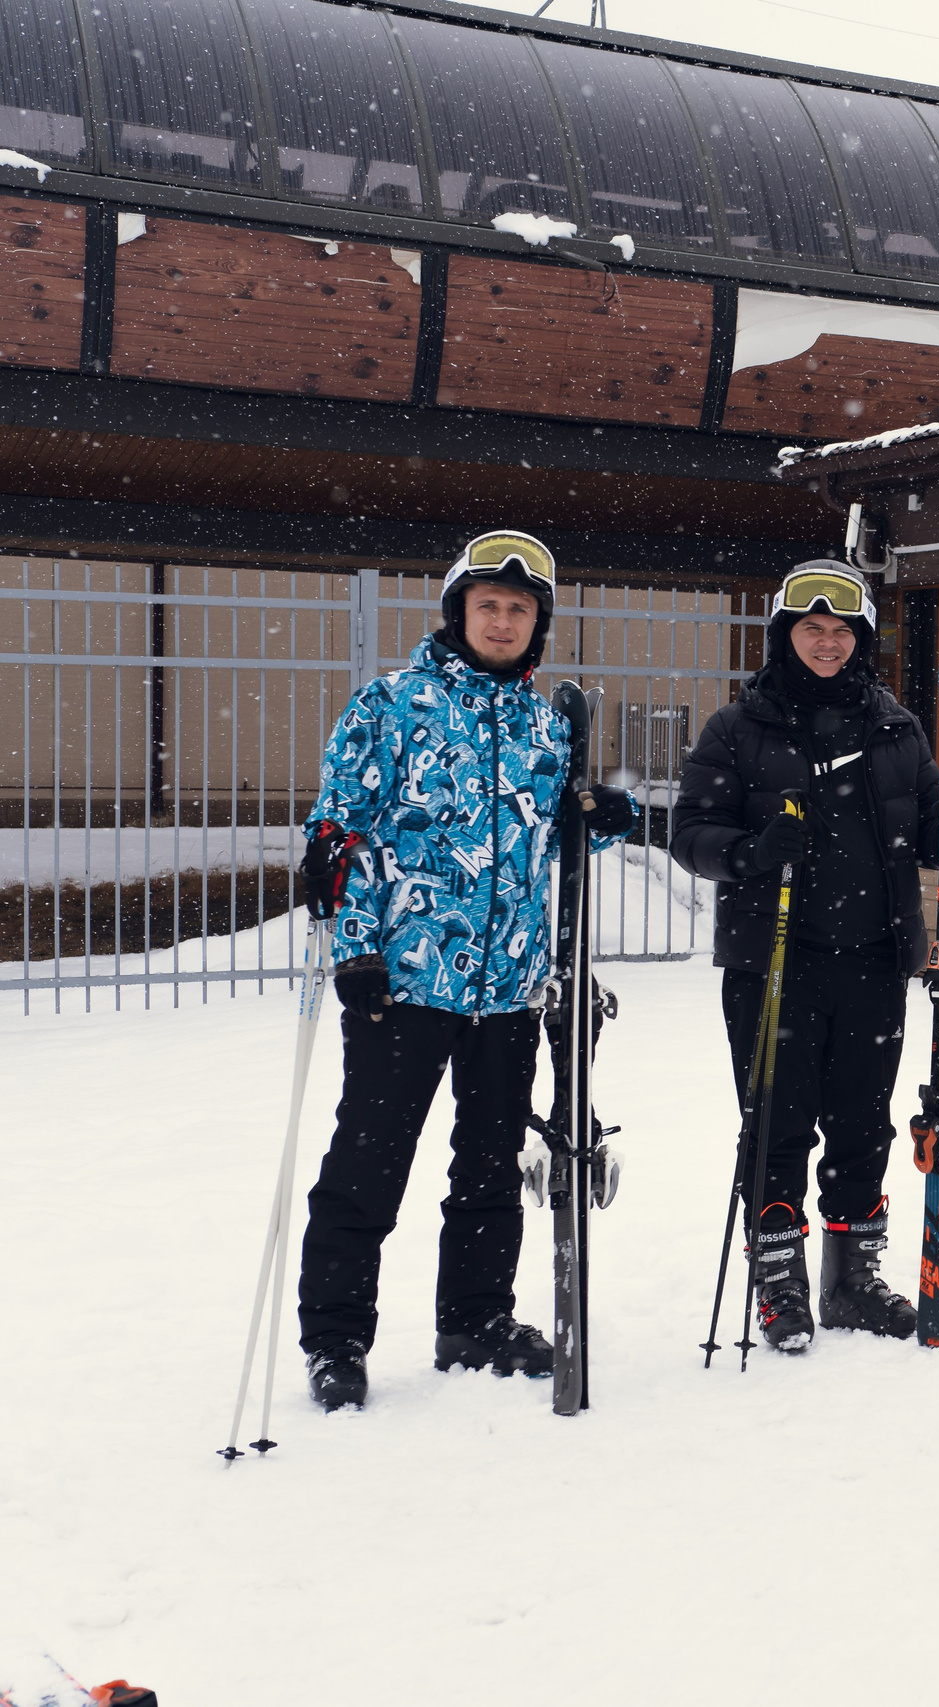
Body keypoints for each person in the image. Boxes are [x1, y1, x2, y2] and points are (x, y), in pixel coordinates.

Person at [295, 530, 639, 1413]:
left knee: (489, 1168)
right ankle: (336, 1339)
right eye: (488, 605)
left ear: (538, 624)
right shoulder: (390, 706)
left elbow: (554, 827)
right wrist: (358, 948)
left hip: (509, 990)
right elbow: (340, 835)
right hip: (403, 983)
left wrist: (604, 814)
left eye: (519, 609)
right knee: (369, 1166)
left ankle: (475, 1318)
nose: (502, 620)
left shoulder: (544, 724)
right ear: (458, 612)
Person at [670, 561, 939, 1352]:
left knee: (863, 1123)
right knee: (777, 1121)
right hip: (775, 957)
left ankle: (852, 1278)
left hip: (873, 956)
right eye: (812, 629)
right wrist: (750, 851)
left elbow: (928, 827)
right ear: (785, 636)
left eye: (841, 631)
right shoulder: (738, 727)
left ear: (859, 641)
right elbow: (691, 831)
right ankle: (780, 1277)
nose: (827, 642)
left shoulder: (896, 727)